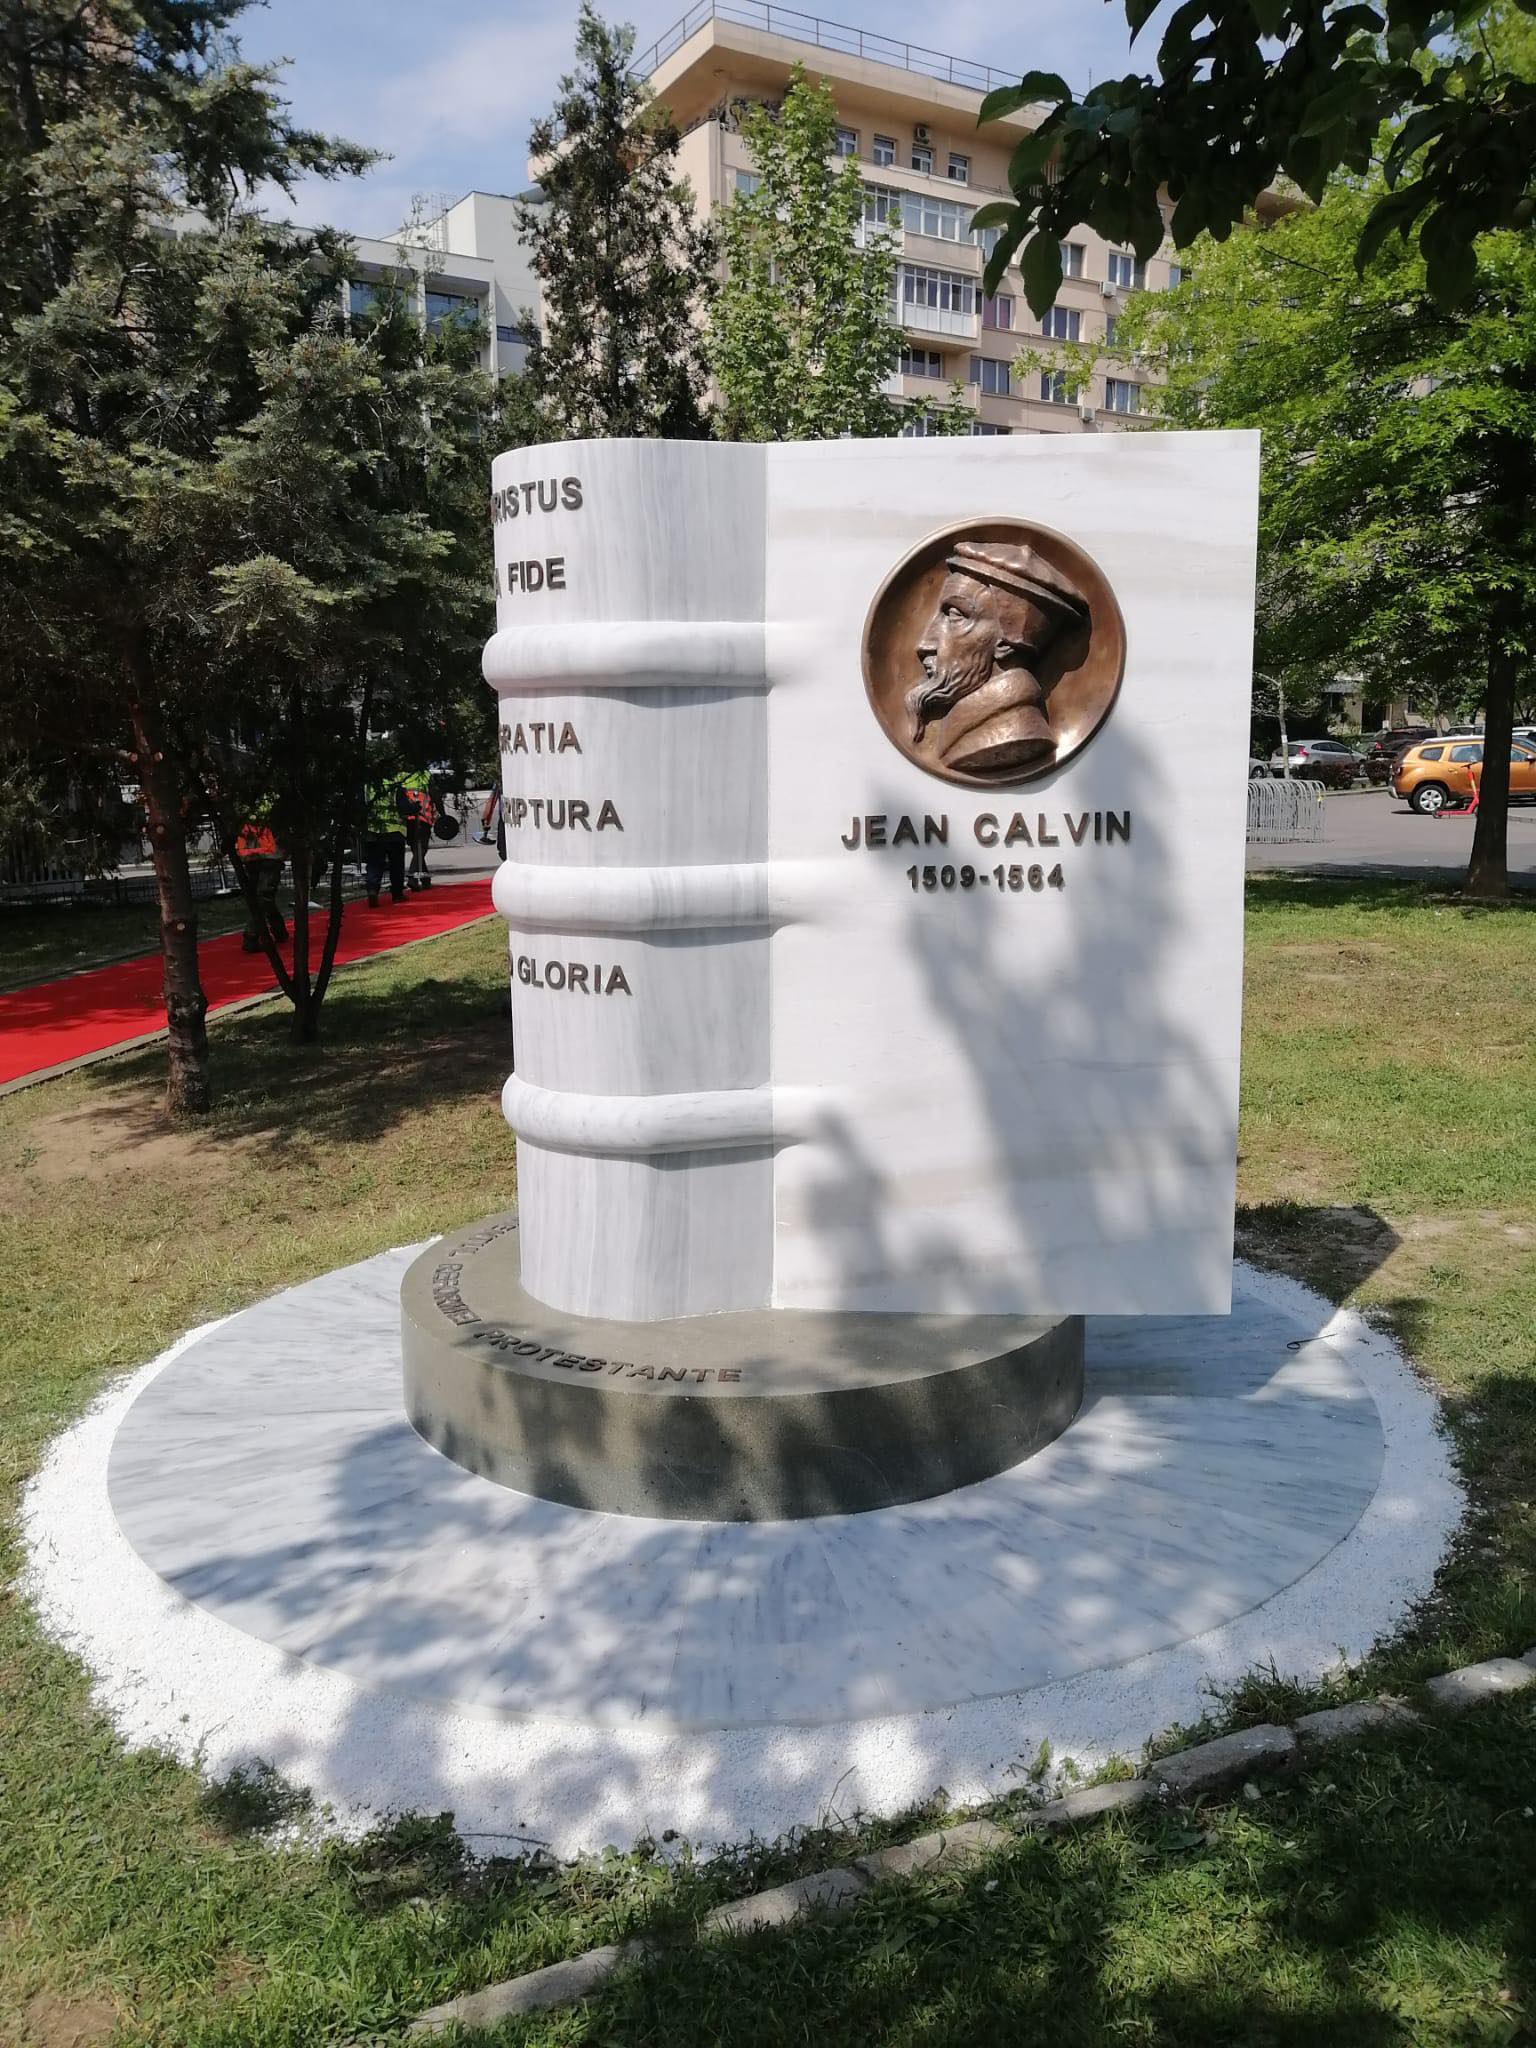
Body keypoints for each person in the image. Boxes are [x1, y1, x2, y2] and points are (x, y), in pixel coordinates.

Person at [235, 812, 287, 953]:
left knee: (264, 897)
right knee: (264, 898)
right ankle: (276, 932)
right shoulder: (246, 818)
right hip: (259, 860)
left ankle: (253, 936)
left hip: (267, 860)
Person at [363, 774, 407, 907]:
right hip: (394, 833)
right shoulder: (395, 787)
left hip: (373, 832)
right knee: (396, 865)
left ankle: (372, 890)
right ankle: (397, 894)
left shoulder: (367, 787)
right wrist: (415, 808)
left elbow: (360, 807)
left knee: (374, 864)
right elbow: (404, 806)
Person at [397, 766, 436, 891]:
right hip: (423, 817)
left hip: (407, 819)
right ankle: (412, 877)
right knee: (421, 849)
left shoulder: (401, 776)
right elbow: (435, 795)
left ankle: (425, 879)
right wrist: (443, 814)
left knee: (417, 850)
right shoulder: (425, 775)